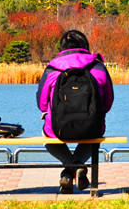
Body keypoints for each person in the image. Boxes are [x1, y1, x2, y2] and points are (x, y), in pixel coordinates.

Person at [36, 30, 114, 193]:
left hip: (57, 128)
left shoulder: (52, 68)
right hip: (92, 127)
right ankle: (74, 168)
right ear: (85, 45)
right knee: (94, 137)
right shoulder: (98, 66)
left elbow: (42, 104)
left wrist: (48, 111)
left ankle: (71, 167)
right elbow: (108, 101)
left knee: (47, 138)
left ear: (62, 47)